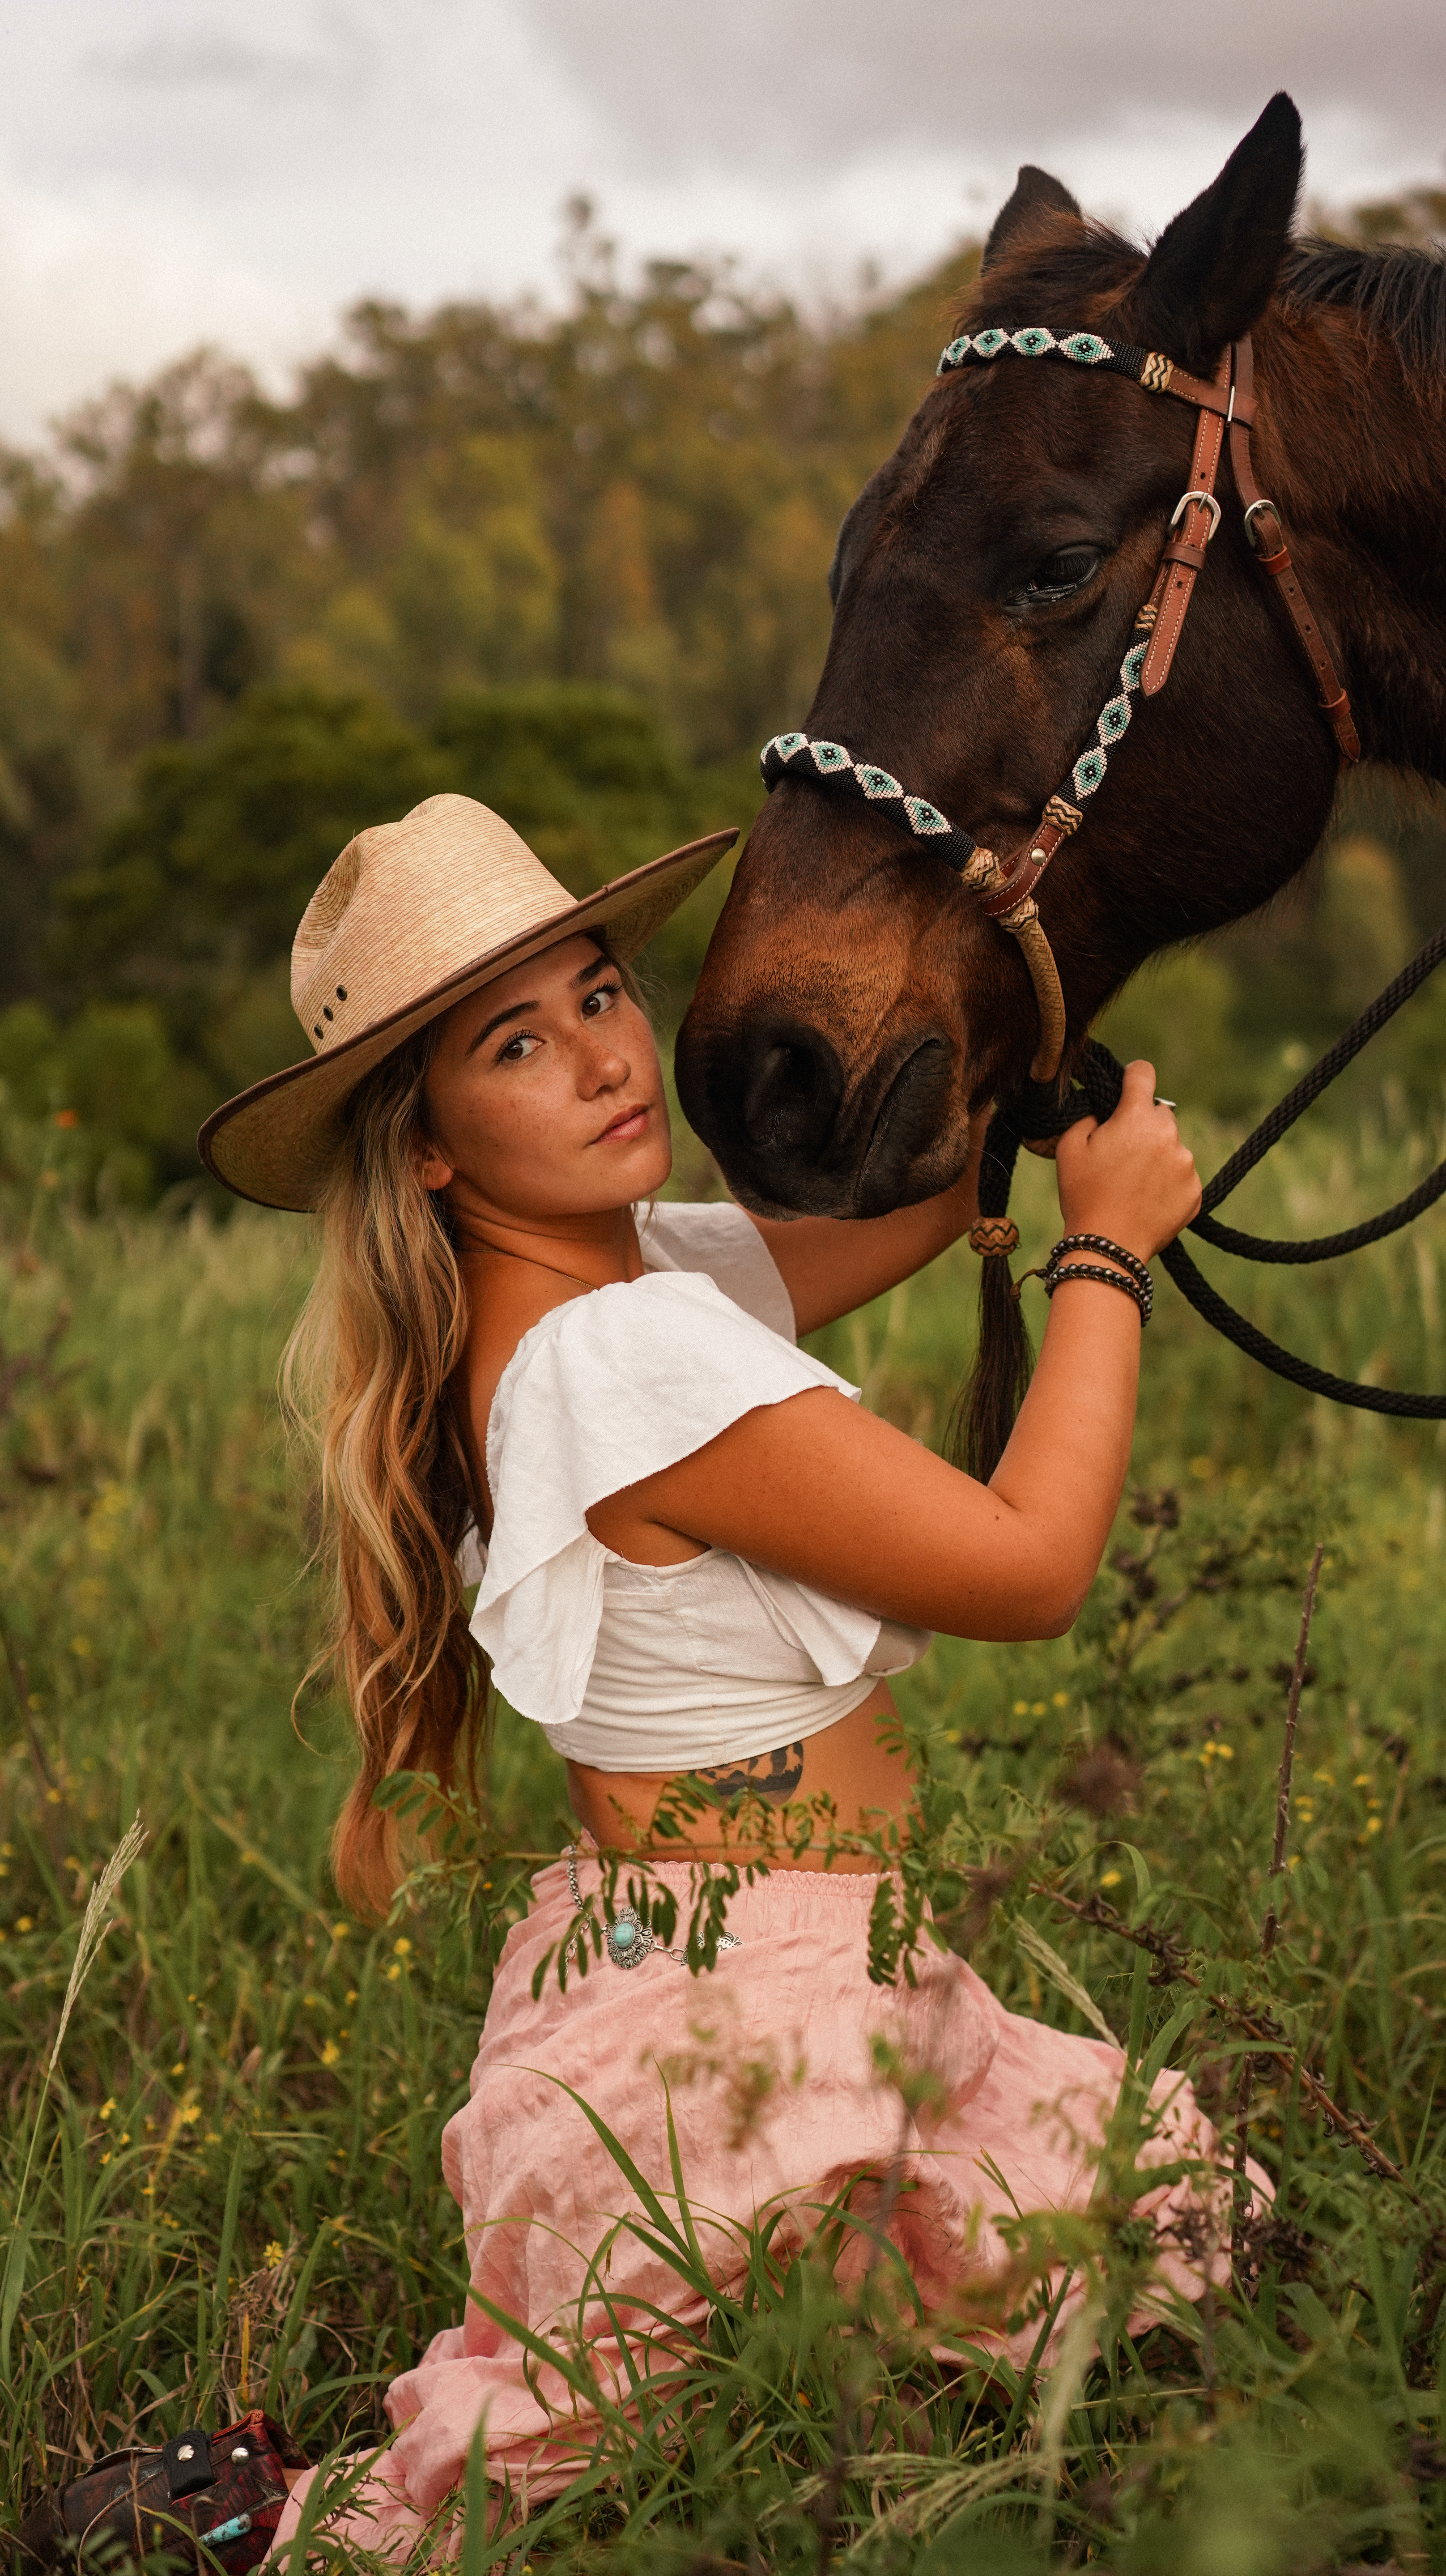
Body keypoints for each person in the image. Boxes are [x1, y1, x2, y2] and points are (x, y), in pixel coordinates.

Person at [199, 792, 1255, 2556]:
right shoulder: (623, 1358)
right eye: (516, 1046)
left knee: (1057, 2289)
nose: (605, 1060)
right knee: (642, 2461)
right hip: (761, 2003)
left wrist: (1011, 1068)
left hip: (727, 1963)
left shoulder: (582, 1294)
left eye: (599, 995)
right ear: (431, 1147)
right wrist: (1107, 1253)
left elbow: (901, 1218)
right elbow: (1029, 1569)